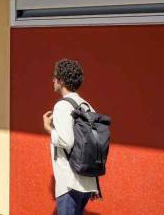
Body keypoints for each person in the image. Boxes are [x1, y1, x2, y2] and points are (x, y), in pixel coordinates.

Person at [43, 58, 99, 215]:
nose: (53, 80)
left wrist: (48, 128)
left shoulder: (62, 105)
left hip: (68, 182)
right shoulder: (87, 105)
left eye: (55, 77)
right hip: (86, 182)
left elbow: (66, 141)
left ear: (61, 81)